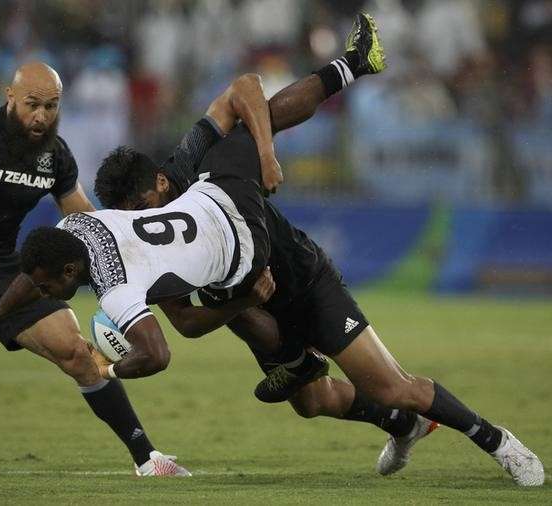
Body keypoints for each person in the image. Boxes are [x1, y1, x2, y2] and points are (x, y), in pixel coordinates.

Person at [88, 16, 545, 486]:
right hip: (256, 306)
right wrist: (245, 300)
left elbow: (244, 89)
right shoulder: (142, 243)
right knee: (311, 401)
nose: (140, 221)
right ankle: (397, 423)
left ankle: (498, 441)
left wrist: (266, 155)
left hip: (305, 281)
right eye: (130, 216)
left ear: (161, 182)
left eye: (141, 208)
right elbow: (184, 322)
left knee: (391, 385)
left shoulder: (202, 162)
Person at [0, 61, 189, 477]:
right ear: (10, 96)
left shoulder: (54, 157)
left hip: (7, 270)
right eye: (32, 105)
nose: (41, 116)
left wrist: (134, 255)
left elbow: (85, 220)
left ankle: (147, 458)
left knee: (77, 352)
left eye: (51, 106)